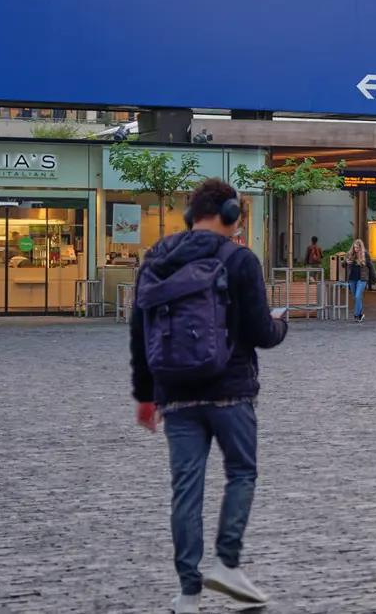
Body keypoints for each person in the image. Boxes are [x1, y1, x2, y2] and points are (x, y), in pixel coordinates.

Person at [131, 178, 286, 614]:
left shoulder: (156, 259)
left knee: (186, 490)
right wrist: (281, 324)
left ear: (189, 215)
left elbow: (138, 331)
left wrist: (146, 395)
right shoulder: (239, 259)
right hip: (230, 391)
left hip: (175, 395)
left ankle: (188, 592)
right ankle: (227, 563)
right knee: (241, 473)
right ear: (232, 214)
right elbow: (261, 332)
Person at [346, 238, 375, 321]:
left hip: (362, 279)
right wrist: (346, 262)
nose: (356, 249)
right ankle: (360, 313)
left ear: (361, 247)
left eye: (357, 248)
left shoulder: (365, 254)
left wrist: (375, 278)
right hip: (352, 278)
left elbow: (371, 266)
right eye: (354, 247)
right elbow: (343, 264)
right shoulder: (350, 254)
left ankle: (356, 315)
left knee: (358, 296)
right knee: (355, 297)